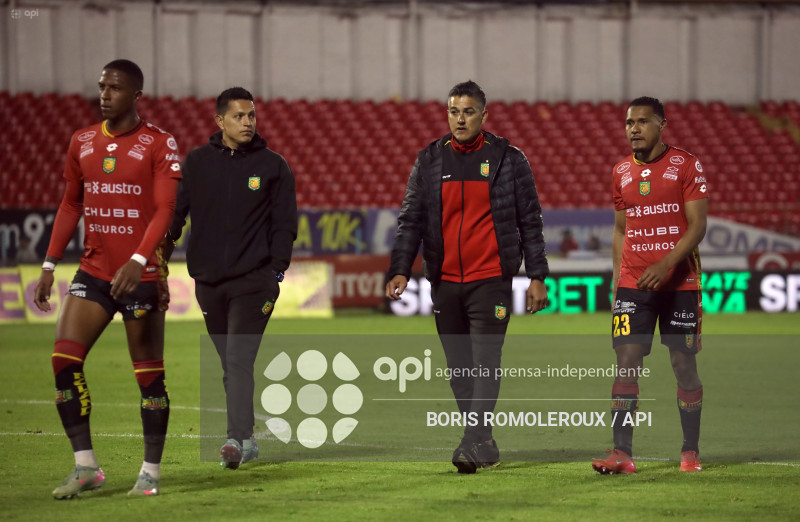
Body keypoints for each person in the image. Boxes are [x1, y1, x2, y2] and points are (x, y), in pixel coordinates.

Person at [33, 59, 182, 498]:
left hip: (140, 277)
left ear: (136, 95)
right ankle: (86, 468)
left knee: (148, 377)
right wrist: (48, 264)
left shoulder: (159, 144)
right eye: (101, 87)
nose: (104, 95)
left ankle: (150, 474)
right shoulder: (81, 141)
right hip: (95, 271)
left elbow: (165, 210)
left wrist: (139, 260)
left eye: (114, 88)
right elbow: (69, 206)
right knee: (64, 362)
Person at [385, 80, 549, 474]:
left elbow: (530, 221)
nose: (460, 119)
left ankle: (469, 442)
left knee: (485, 363)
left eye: (468, 112)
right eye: (454, 111)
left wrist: (538, 275)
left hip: (491, 278)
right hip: (445, 281)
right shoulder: (430, 160)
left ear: (483, 116)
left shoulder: (509, 159)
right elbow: (411, 220)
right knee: (459, 370)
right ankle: (484, 441)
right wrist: (399, 268)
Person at [166, 87, 297, 470]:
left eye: (251, 115)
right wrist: (160, 248)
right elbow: (176, 214)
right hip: (208, 282)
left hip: (254, 282)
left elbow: (285, 224)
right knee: (231, 363)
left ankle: (235, 440)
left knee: (238, 359)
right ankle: (249, 438)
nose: (247, 122)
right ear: (220, 121)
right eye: (239, 116)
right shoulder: (197, 163)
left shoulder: (274, 166)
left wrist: (275, 271)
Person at [592, 96, 708, 475]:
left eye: (643, 121)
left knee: (682, 364)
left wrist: (667, 263)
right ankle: (621, 453)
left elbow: (698, 227)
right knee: (626, 362)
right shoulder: (621, 171)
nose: (634, 128)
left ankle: (690, 451)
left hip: (679, 283)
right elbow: (621, 229)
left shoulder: (686, 165)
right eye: (629, 122)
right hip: (633, 284)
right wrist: (617, 281)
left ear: (662, 124)